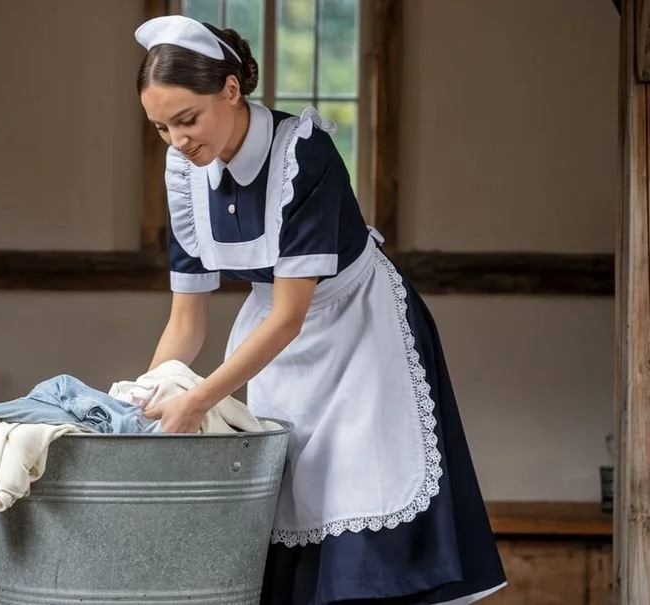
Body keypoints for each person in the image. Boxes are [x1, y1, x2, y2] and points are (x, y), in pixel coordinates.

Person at [132, 14, 507, 605]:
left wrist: (199, 400)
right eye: (160, 128)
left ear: (230, 90)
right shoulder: (185, 174)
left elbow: (290, 315)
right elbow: (187, 319)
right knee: (293, 510)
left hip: (358, 332)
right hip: (273, 345)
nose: (177, 141)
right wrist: (151, 395)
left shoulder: (302, 154)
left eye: (187, 120)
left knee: (362, 507)